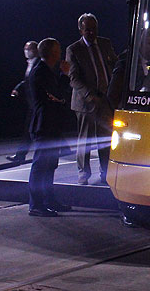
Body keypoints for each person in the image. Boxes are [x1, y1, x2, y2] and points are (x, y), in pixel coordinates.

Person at [65, 13, 117, 185]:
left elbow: (114, 65)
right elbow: (74, 79)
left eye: (94, 29)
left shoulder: (105, 44)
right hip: (85, 103)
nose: (91, 33)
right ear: (81, 30)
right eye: (88, 30)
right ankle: (83, 173)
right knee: (85, 141)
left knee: (105, 139)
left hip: (105, 101)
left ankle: (105, 172)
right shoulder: (74, 50)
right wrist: (89, 95)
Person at [27, 38, 73, 217]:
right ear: (53, 53)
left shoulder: (46, 70)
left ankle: (48, 199)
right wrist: (64, 76)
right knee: (40, 166)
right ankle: (36, 204)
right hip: (44, 124)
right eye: (58, 49)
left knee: (50, 165)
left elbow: (58, 97)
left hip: (51, 124)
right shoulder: (41, 72)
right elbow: (56, 95)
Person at [7, 40, 39, 163]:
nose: (26, 52)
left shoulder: (38, 64)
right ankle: (21, 155)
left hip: (37, 103)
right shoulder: (30, 63)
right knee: (30, 130)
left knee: (32, 130)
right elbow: (26, 80)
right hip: (32, 104)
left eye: (29, 49)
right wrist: (17, 88)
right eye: (25, 49)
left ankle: (21, 155)